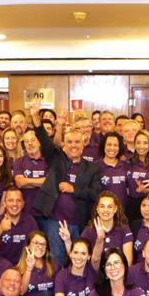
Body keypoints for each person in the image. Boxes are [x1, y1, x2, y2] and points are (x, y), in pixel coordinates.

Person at [29, 100, 101, 265]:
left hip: (80, 223)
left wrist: (73, 189)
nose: (73, 146)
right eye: (69, 142)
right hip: (55, 222)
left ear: (83, 145)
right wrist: (35, 117)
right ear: (64, 145)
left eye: (77, 142)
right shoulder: (56, 160)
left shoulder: (92, 168)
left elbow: (96, 193)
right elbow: (44, 141)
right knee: (56, 262)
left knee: (80, 262)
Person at [15, 230, 58, 296]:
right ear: (28, 246)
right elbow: (21, 291)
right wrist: (29, 269)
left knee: (46, 294)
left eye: (43, 244)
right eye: (36, 243)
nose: (40, 246)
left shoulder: (54, 266)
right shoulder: (19, 269)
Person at [77, 191, 134, 269]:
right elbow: (79, 257)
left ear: (115, 209)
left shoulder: (124, 229)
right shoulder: (87, 232)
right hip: (95, 275)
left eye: (110, 207)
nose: (105, 210)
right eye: (102, 206)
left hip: (118, 273)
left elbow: (128, 263)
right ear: (97, 209)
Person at [0, 186, 39, 266]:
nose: (15, 204)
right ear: (4, 203)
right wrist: (0, 229)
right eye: (11, 200)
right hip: (0, 267)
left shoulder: (30, 222)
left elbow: (36, 246)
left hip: (24, 266)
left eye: (18, 201)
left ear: (23, 204)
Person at [12, 129, 47, 222]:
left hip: (45, 213)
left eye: (33, 140)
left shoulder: (48, 160)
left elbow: (50, 182)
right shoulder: (19, 161)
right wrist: (42, 182)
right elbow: (20, 183)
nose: (29, 143)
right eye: (26, 141)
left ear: (39, 142)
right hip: (25, 211)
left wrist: (27, 181)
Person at [95, 131, 128, 207]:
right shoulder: (94, 167)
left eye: (115, 145)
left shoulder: (126, 166)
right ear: (103, 146)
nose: (112, 148)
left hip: (123, 211)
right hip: (103, 211)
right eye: (109, 144)